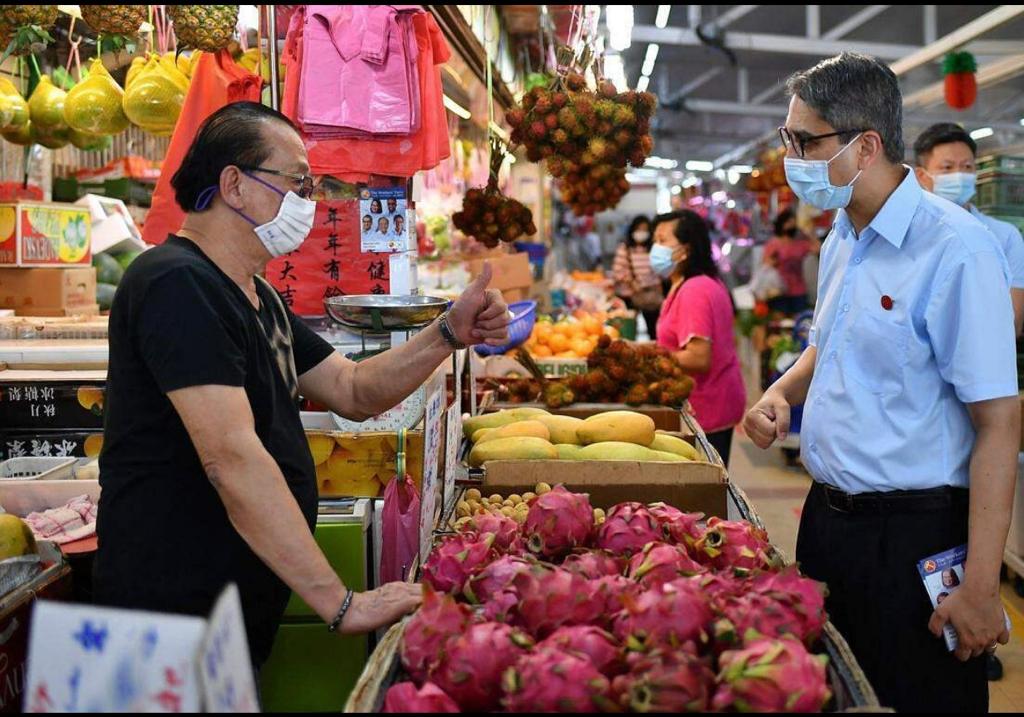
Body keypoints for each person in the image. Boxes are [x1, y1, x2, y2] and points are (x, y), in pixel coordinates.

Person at [95, 102, 511, 668]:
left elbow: (353, 390)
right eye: (297, 183)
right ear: (234, 185)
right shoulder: (176, 283)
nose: (308, 202)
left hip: (229, 604)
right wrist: (339, 602)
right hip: (170, 611)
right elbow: (231, 458)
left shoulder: (254, 293)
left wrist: (447, 333)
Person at [743, 53, 1018, 713]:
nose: (791, 158)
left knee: (914, 697)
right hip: (826, 525)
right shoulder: (843, 235)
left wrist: (982, 587)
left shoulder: (956, 250)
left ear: (865, 146)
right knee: (832, 693)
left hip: (912, 542)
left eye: (805, 142)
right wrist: (781, 391)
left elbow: (999, 422)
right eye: (787, 139)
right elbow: (827, 344)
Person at [651, 210, 746, 466]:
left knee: (706, 478)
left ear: (685, 249)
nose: (655, 248)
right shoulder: (689, 283)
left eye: (662, 240)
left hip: (707, 405)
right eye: (654, 240)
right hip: (709, 400)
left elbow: (698, 357)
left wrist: (649, 357)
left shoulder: (695, 289)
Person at [913, 122, 1024, 336]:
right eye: (947, 167)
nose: (960, 174)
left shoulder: (1004, 237)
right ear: (922, 176)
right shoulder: (909, 235)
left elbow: (1013, 322)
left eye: (967, 167)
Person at [612, 215, 664, 340]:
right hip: (629, 295)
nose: (641, 232)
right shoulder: (625, 248)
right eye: (639, 229)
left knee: (654, 329)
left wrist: (653, 285)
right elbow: (617, 272)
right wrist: (631, 282)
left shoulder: (654, 249)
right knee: (628, 330)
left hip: (649, 296)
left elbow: (659, 272)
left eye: (645, 229)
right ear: (632, 230)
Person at [762, 208, 816, 314]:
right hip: (778, 291)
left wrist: (809, 233)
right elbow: (766, 264)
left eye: (793, 222)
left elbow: (818, 249)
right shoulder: (773, 244)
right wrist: (777, 260)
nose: (792, 225)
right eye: (789, 222)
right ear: (782, 224)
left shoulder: (800, 244)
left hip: (798, 290)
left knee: (799, 319)